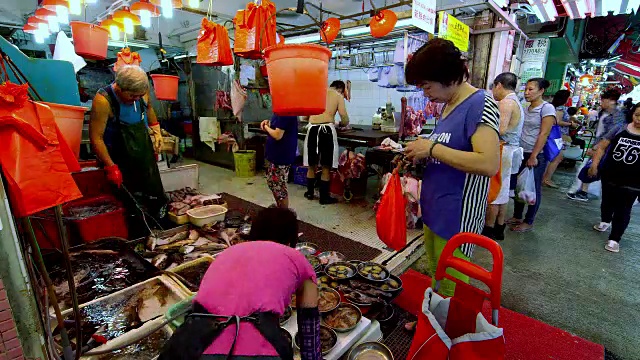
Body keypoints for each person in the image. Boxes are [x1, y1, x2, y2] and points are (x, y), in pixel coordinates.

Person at [403, 38, 500, 299]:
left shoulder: (481, 103)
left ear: (447, 76)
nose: (425, 93)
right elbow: (448, 153)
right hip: (436, 206)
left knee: (452, 282)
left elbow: (489, 163)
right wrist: (421, 155)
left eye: (426, 86)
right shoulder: (447, 107)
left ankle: (448, 331)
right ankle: (434, 318)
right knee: (437, 271)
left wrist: (432, 149)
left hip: (458, 215)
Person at [159, 207, 321, 360]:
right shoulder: (297, 258)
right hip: (258, 354)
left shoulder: (226, 254)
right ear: (290, 241)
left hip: (187, 347)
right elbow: (309, 333)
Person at [89, 65, 167, 221]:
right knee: (129, 204)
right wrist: (111, 166)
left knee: (154, 195)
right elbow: (96, 138)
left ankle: (156, 225)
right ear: (119, 88)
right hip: (119, 159)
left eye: (140, 95)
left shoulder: (141, 94)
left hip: (143, 154)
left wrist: (156, 129)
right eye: (132, 96)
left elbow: (149, 108)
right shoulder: (104, 101)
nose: (137, 99)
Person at [587, 103, 640, 253]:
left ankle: (615, 238)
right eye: (637, 115)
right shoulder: (620, 128)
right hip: (610, 174)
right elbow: (602, 146)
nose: (639, 119)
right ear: (632, 114)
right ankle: (605, 220)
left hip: (634, 181)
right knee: (607, 201)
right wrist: (594, 164)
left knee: (624, 209)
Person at [506, 78, 555, 233]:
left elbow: (544, 133)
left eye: (531, 89)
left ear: (541, 91)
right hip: (521, 152)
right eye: (526, 89)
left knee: (532, 189)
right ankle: (517, 216)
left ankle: (529, 221)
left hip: (536, 155)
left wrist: (534, 155)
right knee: (519, 186)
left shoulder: (547, 109)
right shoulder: (525, 107)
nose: (527, 93)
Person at [483, 72, 524, 240]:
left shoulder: (506, 103)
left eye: (493, 87)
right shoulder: (517, 102)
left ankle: (489, 229)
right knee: (503, 192)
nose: (493, 91)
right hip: (510, 149)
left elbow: (499, 130)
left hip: (503, 150)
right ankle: (499, 228)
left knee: (494, 191)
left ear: (499, 85)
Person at [567, 89, 625, 202]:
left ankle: (584, 192)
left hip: (606, 147)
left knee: (592, 167)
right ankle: (583, 191)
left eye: (603, 100)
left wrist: (597, 146)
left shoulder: (618, 115)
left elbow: (611, 134)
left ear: (611, 101)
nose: (601, 102)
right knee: (590, 167)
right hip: (599, 145)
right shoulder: (603, 112)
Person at [303, 80, 350, 205]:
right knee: (326, 166)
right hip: (327, 131)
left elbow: (304, 117)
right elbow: (345, 119)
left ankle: (310, 193)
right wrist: (340, 123)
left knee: (311, 164)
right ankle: (324, 198)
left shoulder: (315, 94)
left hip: (312, 129)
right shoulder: (338, 96)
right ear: (340, 89)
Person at [261, 115, 299, 208]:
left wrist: (265, 127)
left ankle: (284, 214)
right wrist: (268, 123)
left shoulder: (285, 113)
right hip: (275, 155)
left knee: (280, 187)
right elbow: (278, 126)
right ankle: (280, 209)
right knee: (273, 184)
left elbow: (278, 135)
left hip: (281, 156)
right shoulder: (280, 112)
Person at [542, 90, 573, 188]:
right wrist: (570, 124)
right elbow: (557, 121)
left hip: (554, 135)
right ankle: (546, 179)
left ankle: (545, 178)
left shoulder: (552, 106)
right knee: (557, 157)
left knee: (553, 156)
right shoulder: (560, 108)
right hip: (558, 135)